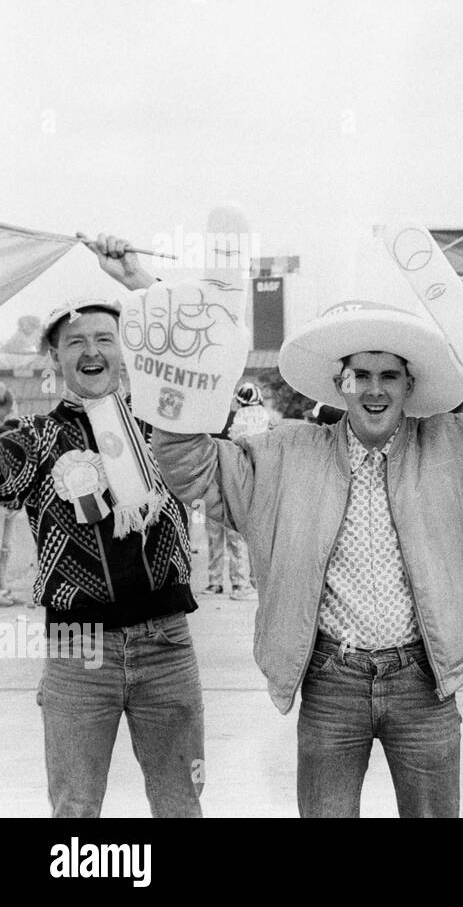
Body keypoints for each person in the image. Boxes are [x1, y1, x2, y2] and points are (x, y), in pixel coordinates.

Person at [155, 295, 463, 818]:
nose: (374, 389)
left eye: (389, 376)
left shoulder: (458, 446)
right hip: (331, 683)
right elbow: (190, 467)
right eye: (360, 375)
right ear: (341, 385)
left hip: (426, 684)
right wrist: (184, 366)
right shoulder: (286, 453)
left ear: (411, 385)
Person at [0, 235, 203, 817]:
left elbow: (198, 351)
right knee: (74, 810)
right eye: (75, 342)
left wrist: (137, 281)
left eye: (104, 339)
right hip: (77, 650)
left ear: (127, 351)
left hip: (167, 644)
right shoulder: (34, 441)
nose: (91, 351)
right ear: (54, 359)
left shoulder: (166, 422)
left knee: (181, 805)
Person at [202, 381, 265, 600]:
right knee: (242, 534)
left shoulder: (220, 420)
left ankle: (215, 582)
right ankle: (243, 583)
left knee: (215, 534)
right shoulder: (260, 420)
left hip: (213, 481)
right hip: (241, 482)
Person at [0, 382, 25, 606]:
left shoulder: (10, 432)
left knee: (5, 547)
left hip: (8, 498)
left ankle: (3, 589)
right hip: (4, 498)